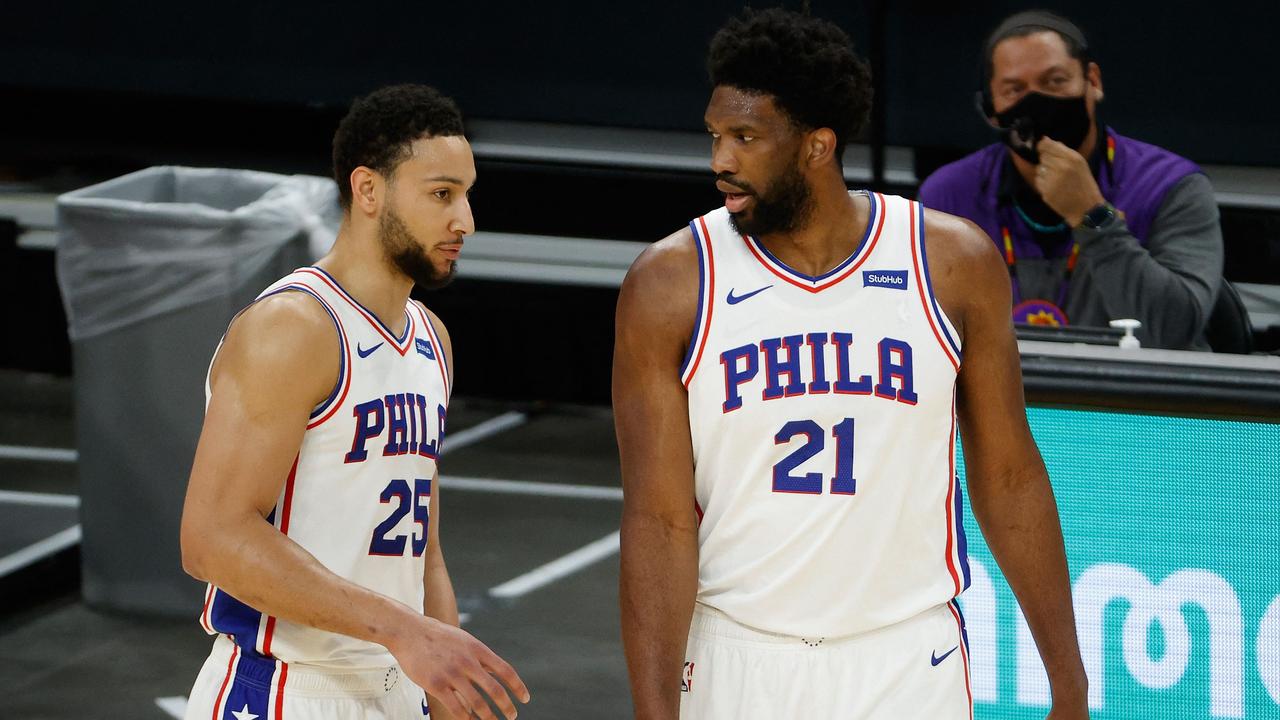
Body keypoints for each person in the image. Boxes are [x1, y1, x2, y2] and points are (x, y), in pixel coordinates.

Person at [614, 8, 1088, 719]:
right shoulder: (670, 282)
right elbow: (658, 522)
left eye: (745, 137)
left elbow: (1010, 476)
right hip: (736, 653)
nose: (721, 161)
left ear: (816, 145)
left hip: (907, 656)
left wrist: (1069, 684)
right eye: (716, 136)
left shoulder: (950, 262)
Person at [179, 84, 529, 720]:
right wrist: (401, 629)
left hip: (394, 686)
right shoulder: (293, 328)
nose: (466, 220)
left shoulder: (432, 339)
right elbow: (211, 538)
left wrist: (450, 686)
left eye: (467, 194)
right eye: (442, 194)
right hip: (284, 688)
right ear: (368, 191)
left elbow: (424, 549)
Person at [919, 10, 1223, 350]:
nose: (1035, 103)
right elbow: (926, 335)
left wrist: (1092, 216)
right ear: (990, 109)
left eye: (1055, 82)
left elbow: (1171, 333)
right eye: (1014, 89)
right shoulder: (948, 197)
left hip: (1132, 398)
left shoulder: (1170, 186)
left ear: (1093, 82)